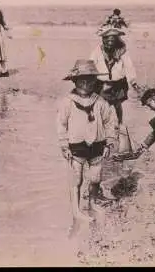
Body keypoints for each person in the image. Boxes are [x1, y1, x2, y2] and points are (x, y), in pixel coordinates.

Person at [57, 59, 118, 222]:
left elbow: (110, 122)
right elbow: (61, 125)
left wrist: (109, 141)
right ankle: (76, 210)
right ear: (75, 81)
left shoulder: (100, 101)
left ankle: (92, 202)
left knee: (96, 177)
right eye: (82, 79)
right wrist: (64, 145)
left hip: (97, 144)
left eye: (90, 79)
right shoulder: (67, 102)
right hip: (76, 145)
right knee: (76, 178)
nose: (86, 83)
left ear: (95, 81)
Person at [90, 27, 140, 126]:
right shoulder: (97, 51)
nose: (110, 42)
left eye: (112, 40)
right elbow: (91, 64)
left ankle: (120, 123)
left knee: (117, 104)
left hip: (118, 83)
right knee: (102, 103)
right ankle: (102, 124)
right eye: (107, 39)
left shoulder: (122, 51)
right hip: (102, 83)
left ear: (116, 41)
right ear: (103, 39)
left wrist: (133, 81)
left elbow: (129, 66)